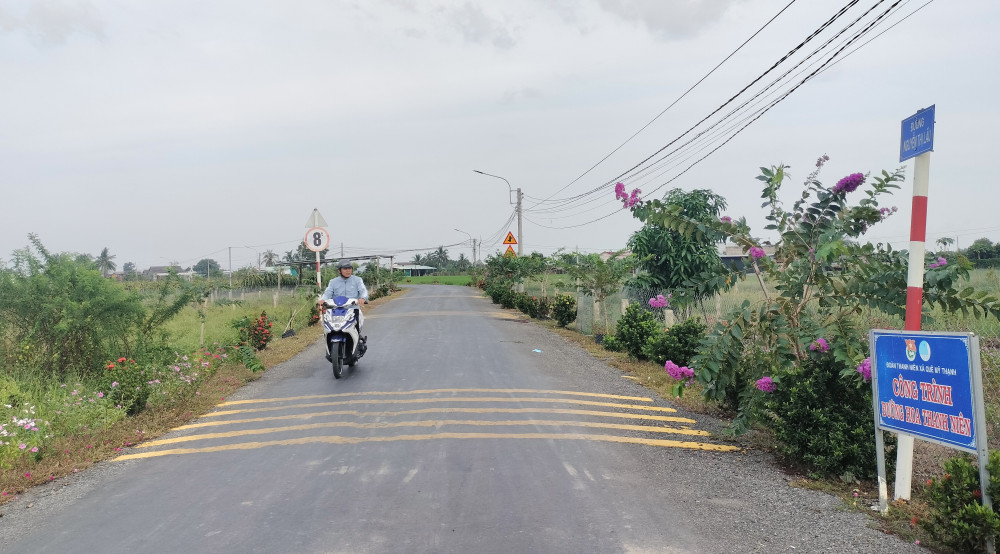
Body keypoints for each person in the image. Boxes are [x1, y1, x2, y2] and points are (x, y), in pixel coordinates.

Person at [320, 260, 369, 332]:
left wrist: (363, 298)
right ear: (339, 270)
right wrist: (323, 299)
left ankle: (357, 336)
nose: (348, 271)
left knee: (358, 326)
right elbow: (328, 293)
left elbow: (363, 290)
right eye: (345, 269)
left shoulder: (358, 280)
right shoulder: (333, 282)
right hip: (336, 311)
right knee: (328, 328)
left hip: (353, 309)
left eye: (349, 268)